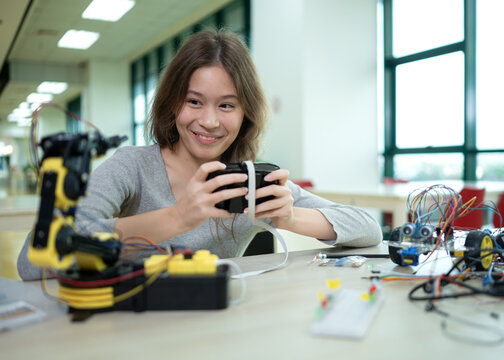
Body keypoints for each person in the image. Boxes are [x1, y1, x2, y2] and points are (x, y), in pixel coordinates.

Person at [17, 29, 382, 280]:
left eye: (227, 105)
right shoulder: (132, 168)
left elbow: (369, 228)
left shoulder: (246, 182)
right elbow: (30, 263)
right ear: (172, 102)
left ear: (245, 115)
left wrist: (288, 216)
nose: (208, 121)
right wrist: (176, 218)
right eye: (194, 101)